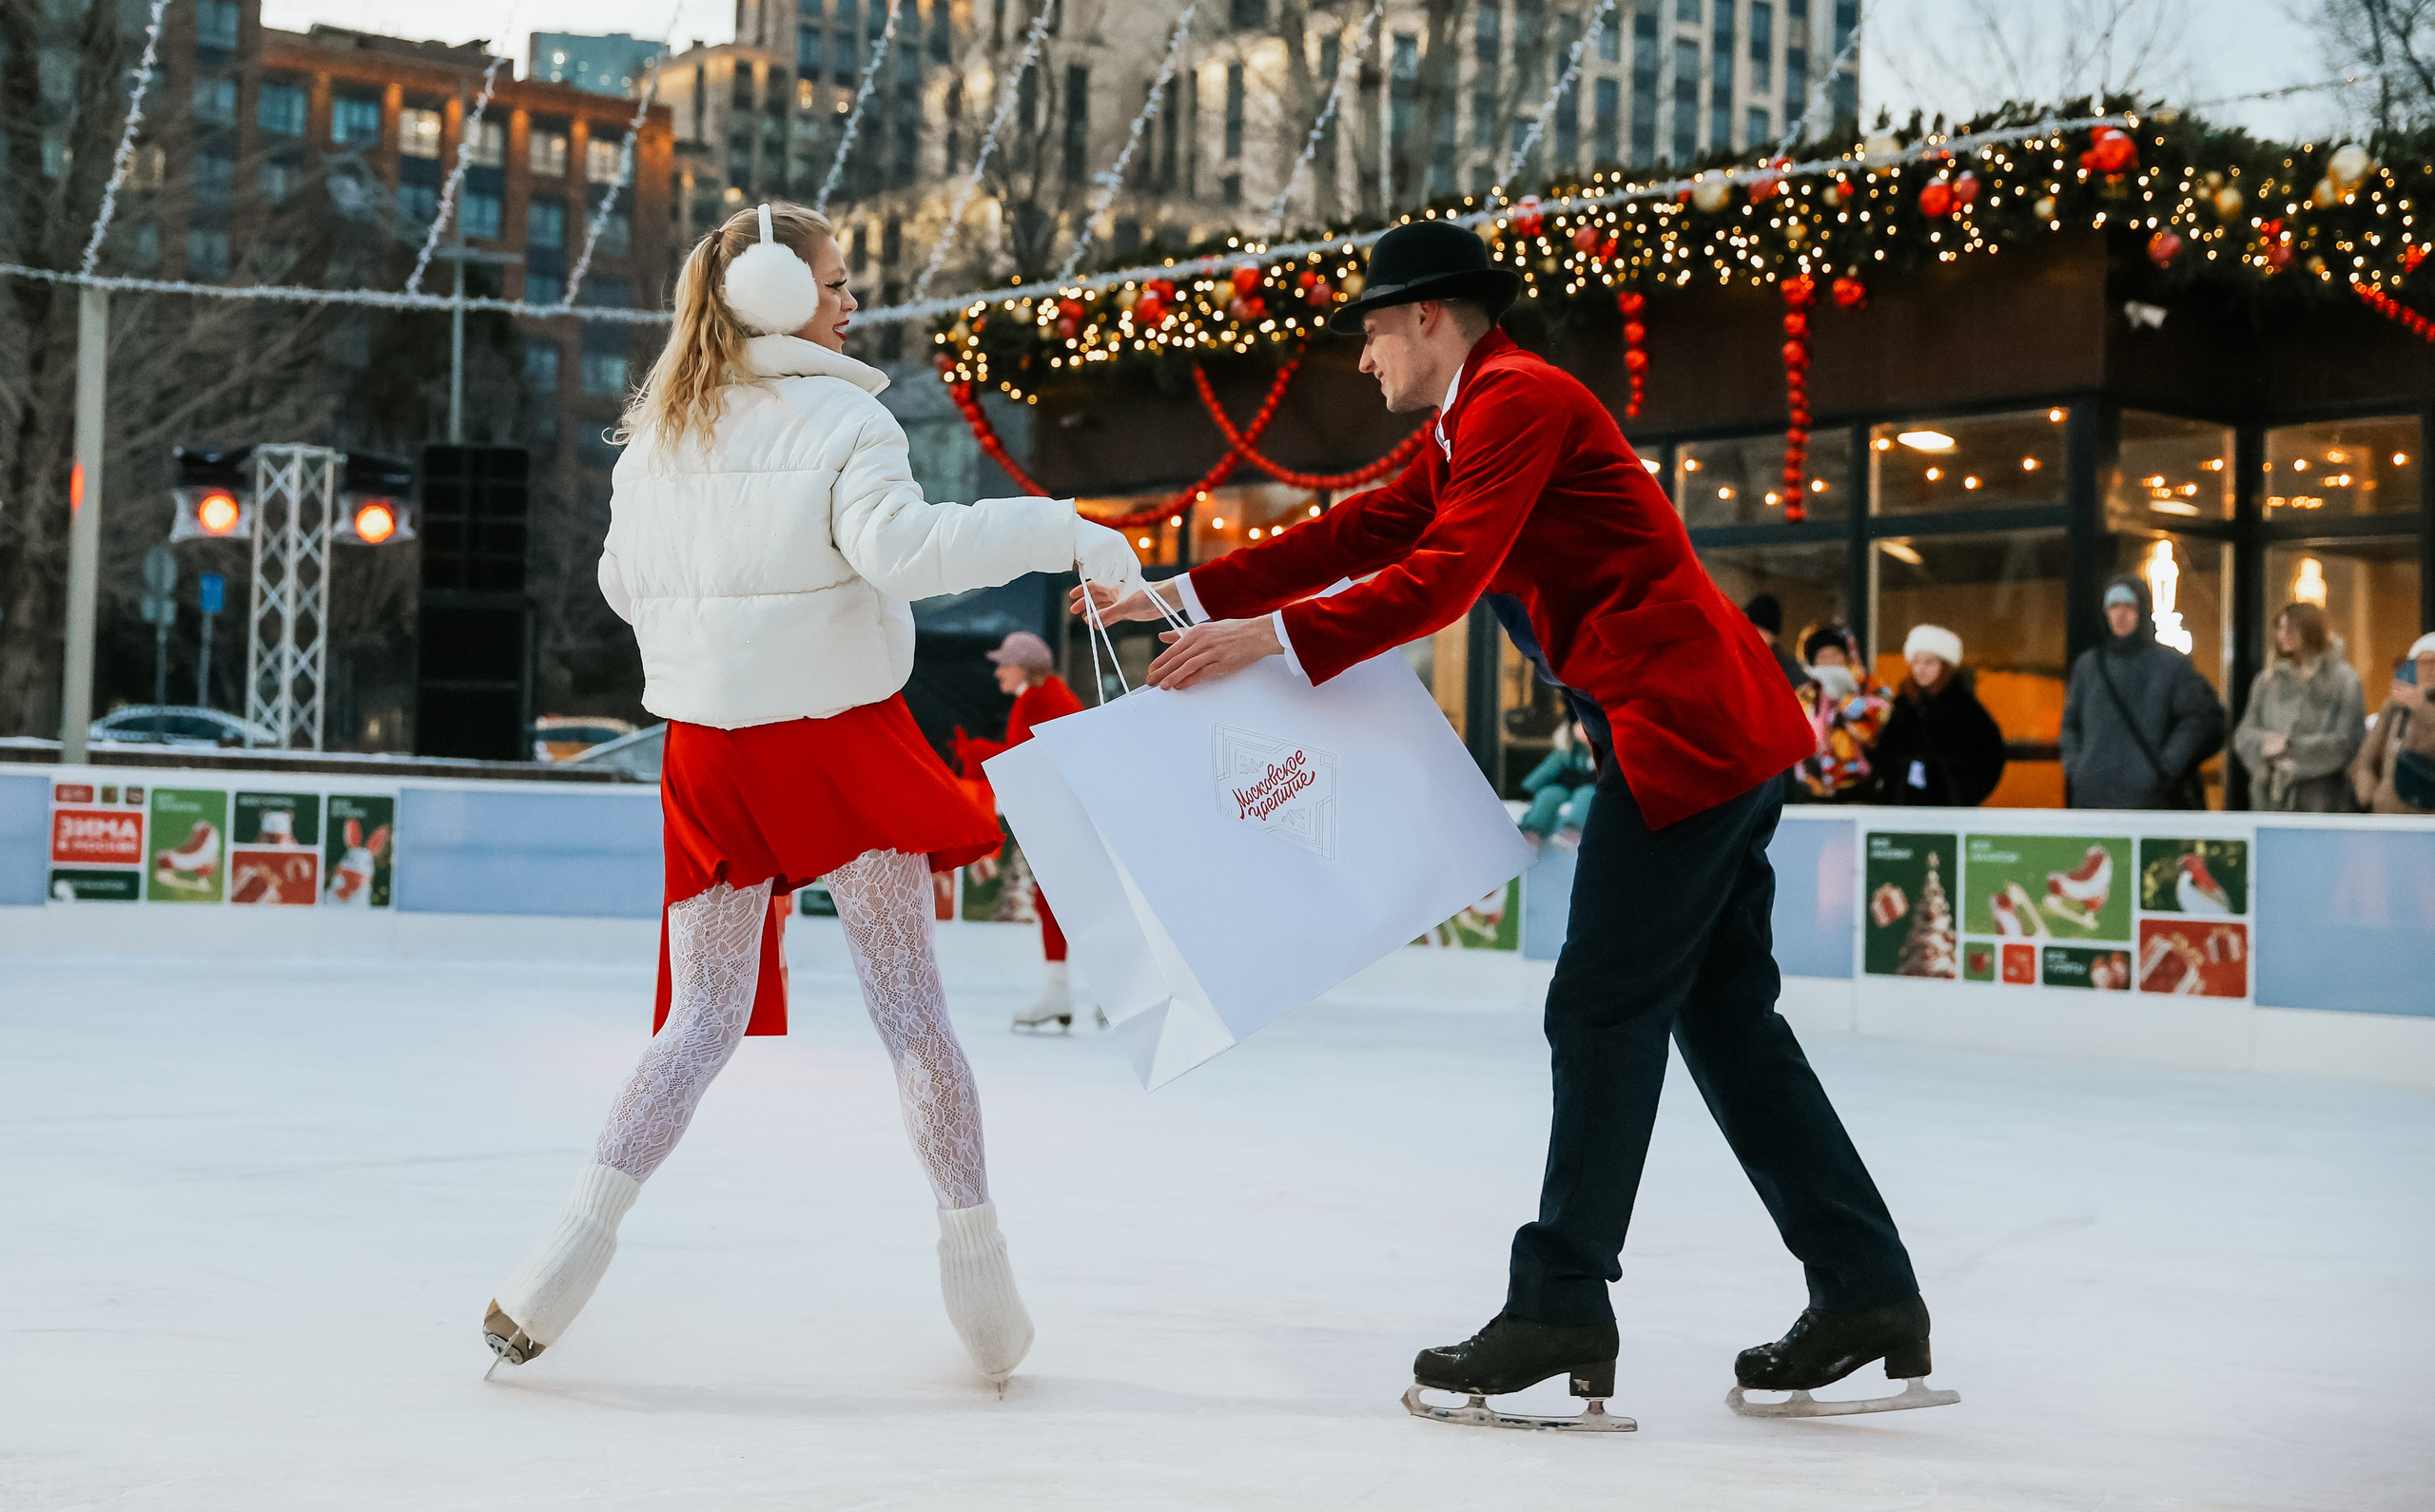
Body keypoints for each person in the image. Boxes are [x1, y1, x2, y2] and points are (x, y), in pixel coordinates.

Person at [1077, 220, 1935, 1425]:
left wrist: (1260, 638)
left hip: (1684, 734)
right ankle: (1865, 1291)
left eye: (1372, 333)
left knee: (1599, 1005)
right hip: (1701, 733)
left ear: (1432, 317)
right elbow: (1364, 534)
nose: (1363, 362)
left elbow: (1441, 579)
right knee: (1727, 1022)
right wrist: (1171, 594)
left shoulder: (1516, 400)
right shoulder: (1473, 417)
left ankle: (1563, 1301)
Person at [480, 203, 1142, 1388]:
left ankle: (553, 1270)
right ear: (783, 297)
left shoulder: (655, 437)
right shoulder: (845, 416)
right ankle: (982, 1287)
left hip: (710, 756)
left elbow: (621, 586)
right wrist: (1065, 532)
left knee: (699, 1023)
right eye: (838, 283)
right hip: (837, 739)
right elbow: (905, 554)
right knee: (911, 1014)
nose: (852, 304)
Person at [959, 630, 1100, 1032]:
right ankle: (1066, 990)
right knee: (1058, 903)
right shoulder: (1052, 694)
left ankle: (1093, 990)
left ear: (1022, 666)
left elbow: (1021, 762)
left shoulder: (1036, 699)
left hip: (1060, 818)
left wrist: (977, 753)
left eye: (1004, 664)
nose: (998, 672)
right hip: (1067, 815)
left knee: (1064, 904)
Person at [2060, 576, 2227, 809]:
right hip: (2094, 799)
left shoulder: (2171, 665)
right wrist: (2077, 769)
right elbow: (2071, 723)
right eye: (2114, 606)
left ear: (2143, 610)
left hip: (2152, 802)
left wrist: (2166, 767)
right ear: (2105, 612)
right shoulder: (2088, 666)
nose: (2120, 614)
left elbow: (2201, 719)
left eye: (2129, 606)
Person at [2232, 602, 2367, 812]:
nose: (2282, 635)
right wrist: (2265, 744)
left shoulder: (2344, 681)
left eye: (2289, 629)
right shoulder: (2268, 680)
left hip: (2324, 801)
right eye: (2280, 628)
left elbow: (2349, 739)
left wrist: (2291, 748)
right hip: (2270, 800)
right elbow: (2243, 734)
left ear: (2309, 630)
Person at [1866, 626, 2008, 807]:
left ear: (1944, 665)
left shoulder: (1966, 710)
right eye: (1916, 662)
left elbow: (1990, 756)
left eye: (1929, 662)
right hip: (1903, 808)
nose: (1920, 669)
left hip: (1951, 810)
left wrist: (1962, 790)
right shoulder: (1902, 706)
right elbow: (1885, 754)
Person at [1794, 624, 1891, 804]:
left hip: (1859, 788)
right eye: (1823, 656)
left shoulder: (1867, 686)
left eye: (1835, 654)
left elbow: (1876, 727)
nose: (1830, 661)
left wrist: (1845, 699)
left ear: (1845, 657)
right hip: (1812, 788)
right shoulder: (1804, 695)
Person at [2351, 631, 2435, 814]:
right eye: (2421, 663)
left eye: (2433, 663)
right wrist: (2370, 793)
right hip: (2389, 815)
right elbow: (2365, 759)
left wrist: (2421, 707)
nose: (2428, 670)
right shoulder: (2394, 709)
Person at [1517, 718, 1598, 845]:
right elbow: (1547, 770)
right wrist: (1528, 787)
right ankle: (1532, 831)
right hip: (1563, 786)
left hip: (1591, 786)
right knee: (1548, 794)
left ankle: (1573, 832)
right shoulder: (1565, 754)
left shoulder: (1601, 754)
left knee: (1585, 795)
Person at [1743, 593, 1811, 689]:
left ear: (1771, 634)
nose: (1753, 637)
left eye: (1759, 631)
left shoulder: (1790, 670)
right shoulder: (1735, 661)